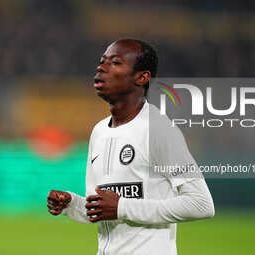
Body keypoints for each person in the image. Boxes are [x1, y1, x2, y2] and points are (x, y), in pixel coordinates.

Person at [47, 39, 215, 255]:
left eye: (115, 62)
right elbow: (100, 210)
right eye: (102, 62)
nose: (101, 67)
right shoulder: (99, 132)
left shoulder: (159, 129)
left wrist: (122, 207)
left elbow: (201, 204)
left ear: (142, 77)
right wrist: (70, 204)